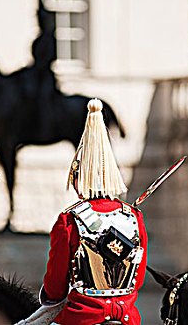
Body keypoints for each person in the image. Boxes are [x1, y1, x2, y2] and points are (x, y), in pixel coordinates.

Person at [39, 98, 148, 325]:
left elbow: (55, 288)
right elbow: (137, 282)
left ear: (80, 178)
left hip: (81, 318)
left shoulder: (68, 221)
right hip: (127, 318)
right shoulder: (134, 216)